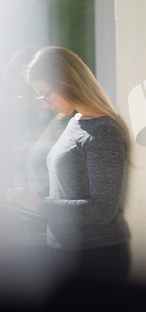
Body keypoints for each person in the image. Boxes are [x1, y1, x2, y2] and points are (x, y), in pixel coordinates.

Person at [5, 46, 130, 283]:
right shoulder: (76, 121)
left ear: (66, 82)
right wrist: (28, 206)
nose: (44, 104)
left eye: (45, 95)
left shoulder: (104, 132)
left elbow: (103, 210)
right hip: (65, 252)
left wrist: (40, 205)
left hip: (94, 260)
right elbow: (67, 189)